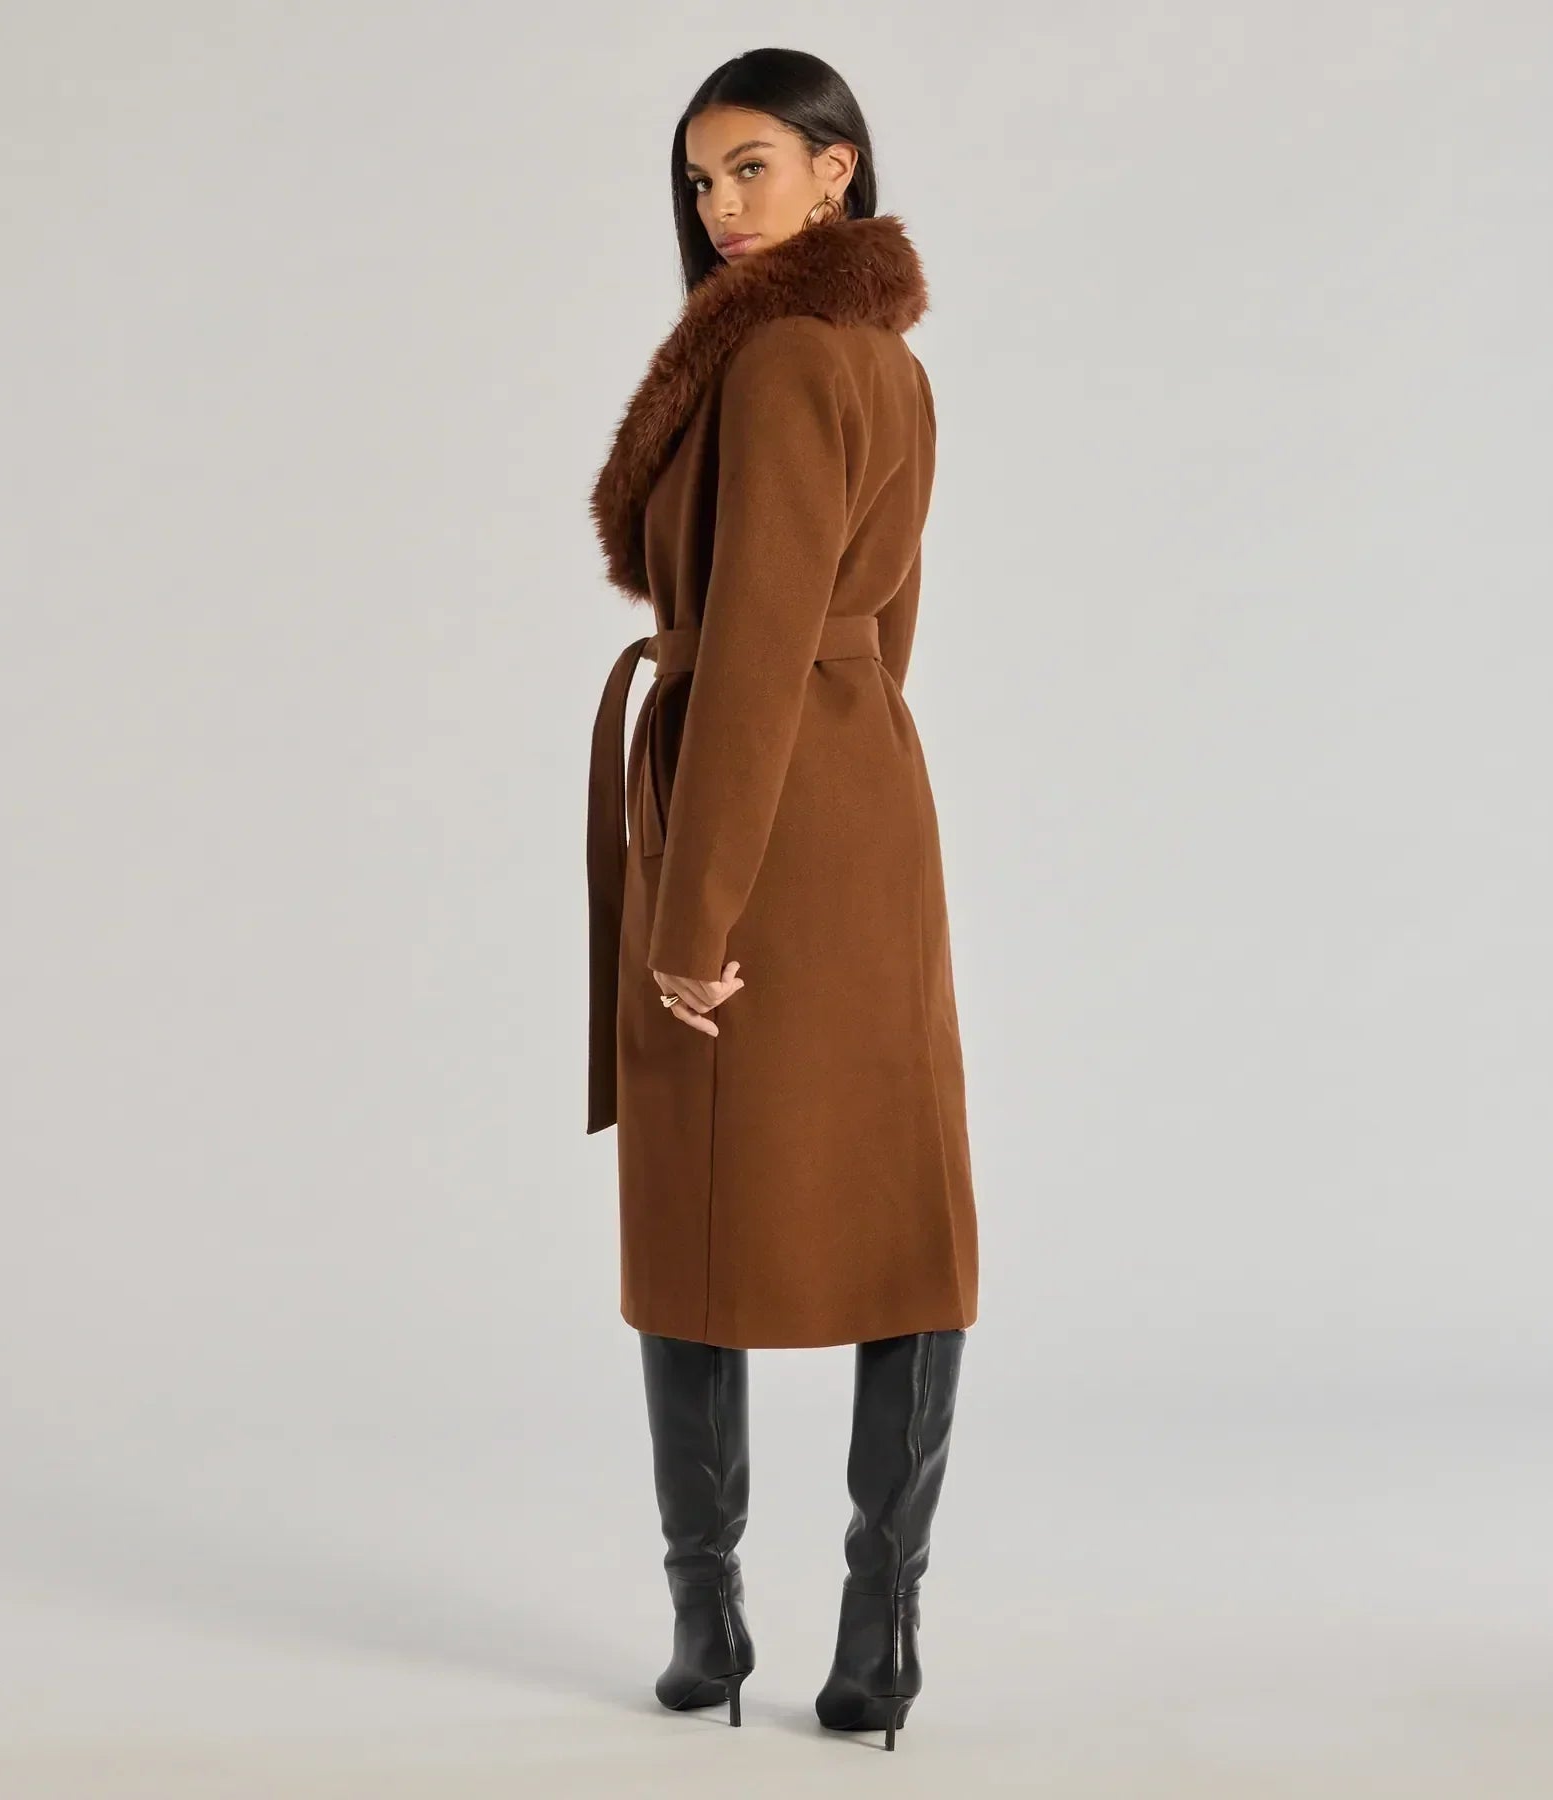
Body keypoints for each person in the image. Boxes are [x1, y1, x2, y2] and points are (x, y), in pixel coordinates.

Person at [584, 47, 979, 1751]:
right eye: (699, 179)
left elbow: (750, 642)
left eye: (752, 166)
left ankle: (709, 1615)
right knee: (901, 1202)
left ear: (838, 169)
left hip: (745, 806)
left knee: (695, 1200)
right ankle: (877, 1637)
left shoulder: (770, 361)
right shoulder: (885, 361)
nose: (719, 205)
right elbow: (882, 629)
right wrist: (845, 755)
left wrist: (691, 914)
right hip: (864, 796)